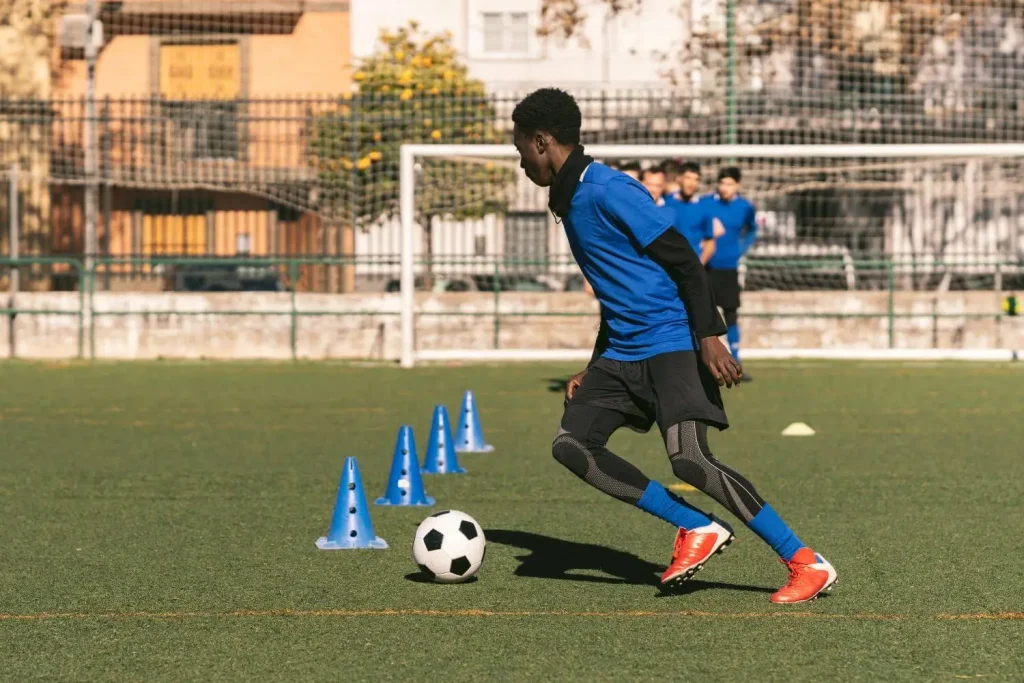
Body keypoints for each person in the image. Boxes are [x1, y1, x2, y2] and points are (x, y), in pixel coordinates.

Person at [511, 87, 836, 604]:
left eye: (521, 150)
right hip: (621, 350)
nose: (522, 162)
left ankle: (806, 562)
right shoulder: (569, 200)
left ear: (542, 141)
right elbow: (618, 289)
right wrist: (592, 365)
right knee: (572, 446)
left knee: (690, 460)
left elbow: (684, 259)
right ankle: (695, 527)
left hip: (671, 341)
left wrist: (710, 337)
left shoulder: (609, 189)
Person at [704, 167, 757, 381]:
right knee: (704, 316)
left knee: (731, 314)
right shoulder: (706, 204)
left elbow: (752, 229)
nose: (725, 188)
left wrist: (741, 249)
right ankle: (706, 363)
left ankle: (735, 362)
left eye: (730, 184)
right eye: (722, 183)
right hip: (705, 267)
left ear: (737, 185)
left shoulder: (745, 207)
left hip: (729, 268)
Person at [670, 161, 719, 265]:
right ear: (679, 178)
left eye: (696, 179)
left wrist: (699, 266)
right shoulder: (666, 203)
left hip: (691, 267)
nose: (692, 183)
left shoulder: (704, 208)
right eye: (688, 178)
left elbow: (710, 242)